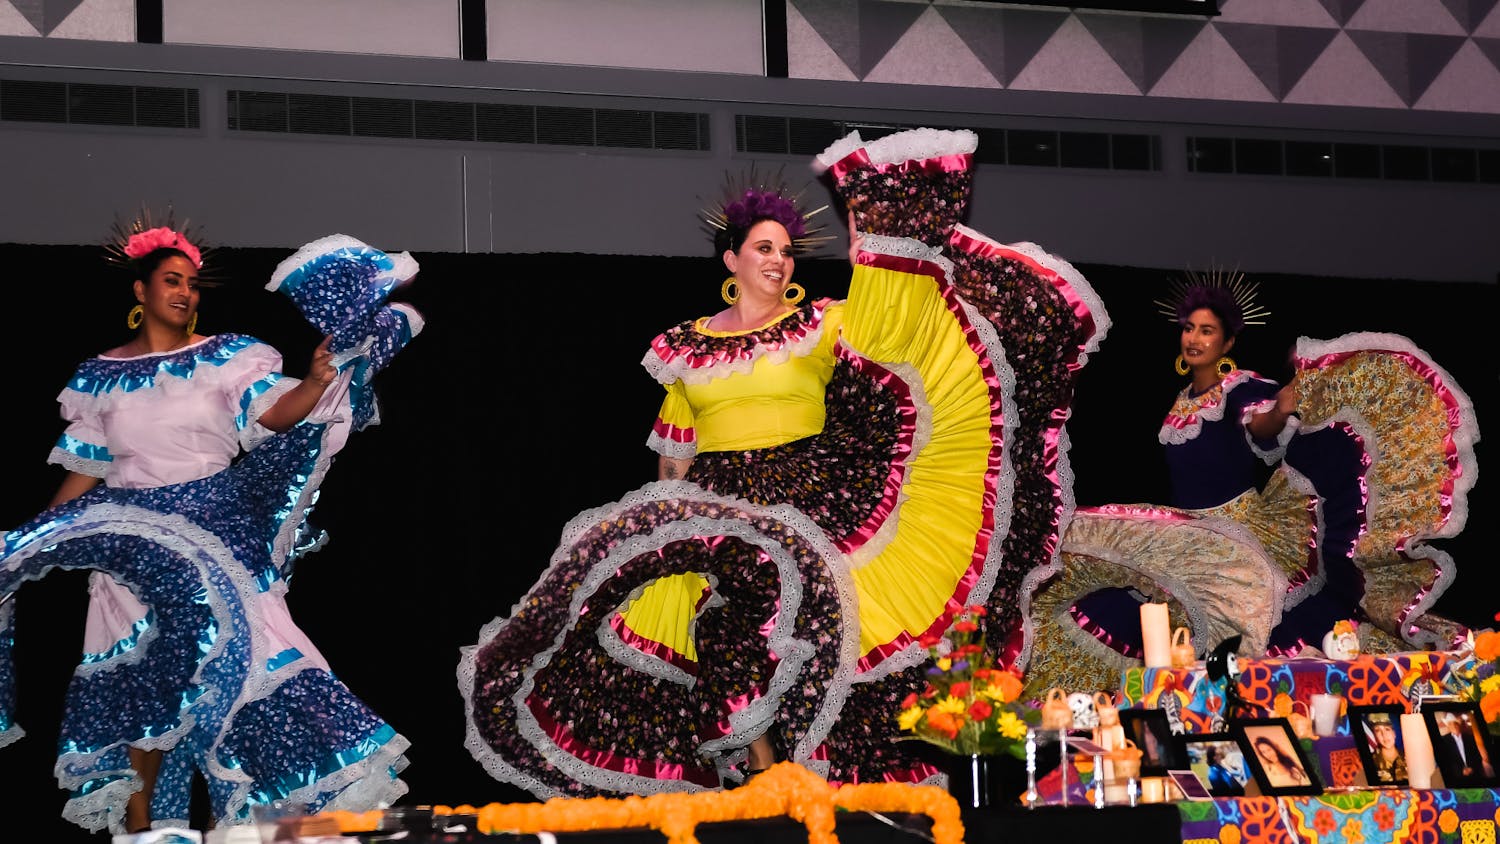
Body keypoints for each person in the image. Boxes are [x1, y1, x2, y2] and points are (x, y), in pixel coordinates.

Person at [460, 127, 1107, 795]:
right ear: (731, 258)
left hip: (809, 493)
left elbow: (890, 336)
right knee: (723, 634)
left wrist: (889, 234)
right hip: (715, 505)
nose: (780, 260)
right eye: (764, 249)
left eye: (787, 251)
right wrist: (664, 527)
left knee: (817, 635)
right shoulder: (684, 348)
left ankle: (803, 775)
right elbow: (674, 459)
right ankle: (766, 772)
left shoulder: (822, 326)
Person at [0, 221, 422, 834]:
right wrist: (32, 539)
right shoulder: (98, 377)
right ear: (140, 291)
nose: (186, 293)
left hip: (216, 532)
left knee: (251, 662)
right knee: (142, 692)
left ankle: (268, 813)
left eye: (193, 284)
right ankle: (146, 833)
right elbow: (87, 471)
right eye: (172, 281)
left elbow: (274, 415)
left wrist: (313, 381)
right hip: (132, 547)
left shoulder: (227, 355)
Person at [1018, 269, 1480, 695]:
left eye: (1207, 330)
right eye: (1189, 328)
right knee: (1116, 603)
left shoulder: (1239, 386)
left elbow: (1259, 427)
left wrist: (1280, 409)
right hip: (1189, 534)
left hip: (1236, 533)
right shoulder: (1182, 399)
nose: (1194, 338)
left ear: (1227, 340)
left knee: (1254, 627)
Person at [1366, 713, 1408, 784]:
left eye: (1387, 729)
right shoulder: (1371, 761)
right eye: (1377, 730)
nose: (1384, 734)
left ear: (1394, 733)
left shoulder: (1410, 759)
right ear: (1375, 736)